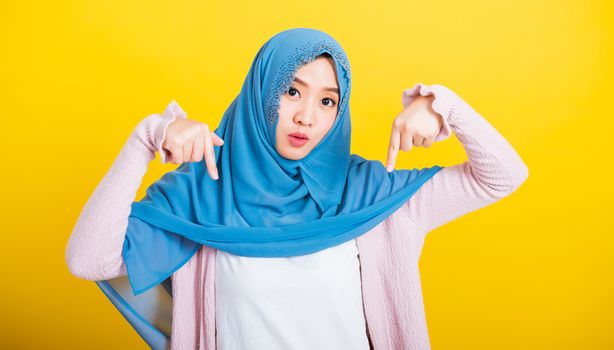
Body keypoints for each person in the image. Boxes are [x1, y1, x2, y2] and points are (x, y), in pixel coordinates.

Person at [65, 28, 529, 350]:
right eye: (291, 91)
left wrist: (443, 104)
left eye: (327, 100)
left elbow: (505, 175)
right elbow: (87, 260)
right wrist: (145, 138)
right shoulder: (201, 194)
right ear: (261, 91)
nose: (307, 115)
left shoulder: (372, 196)